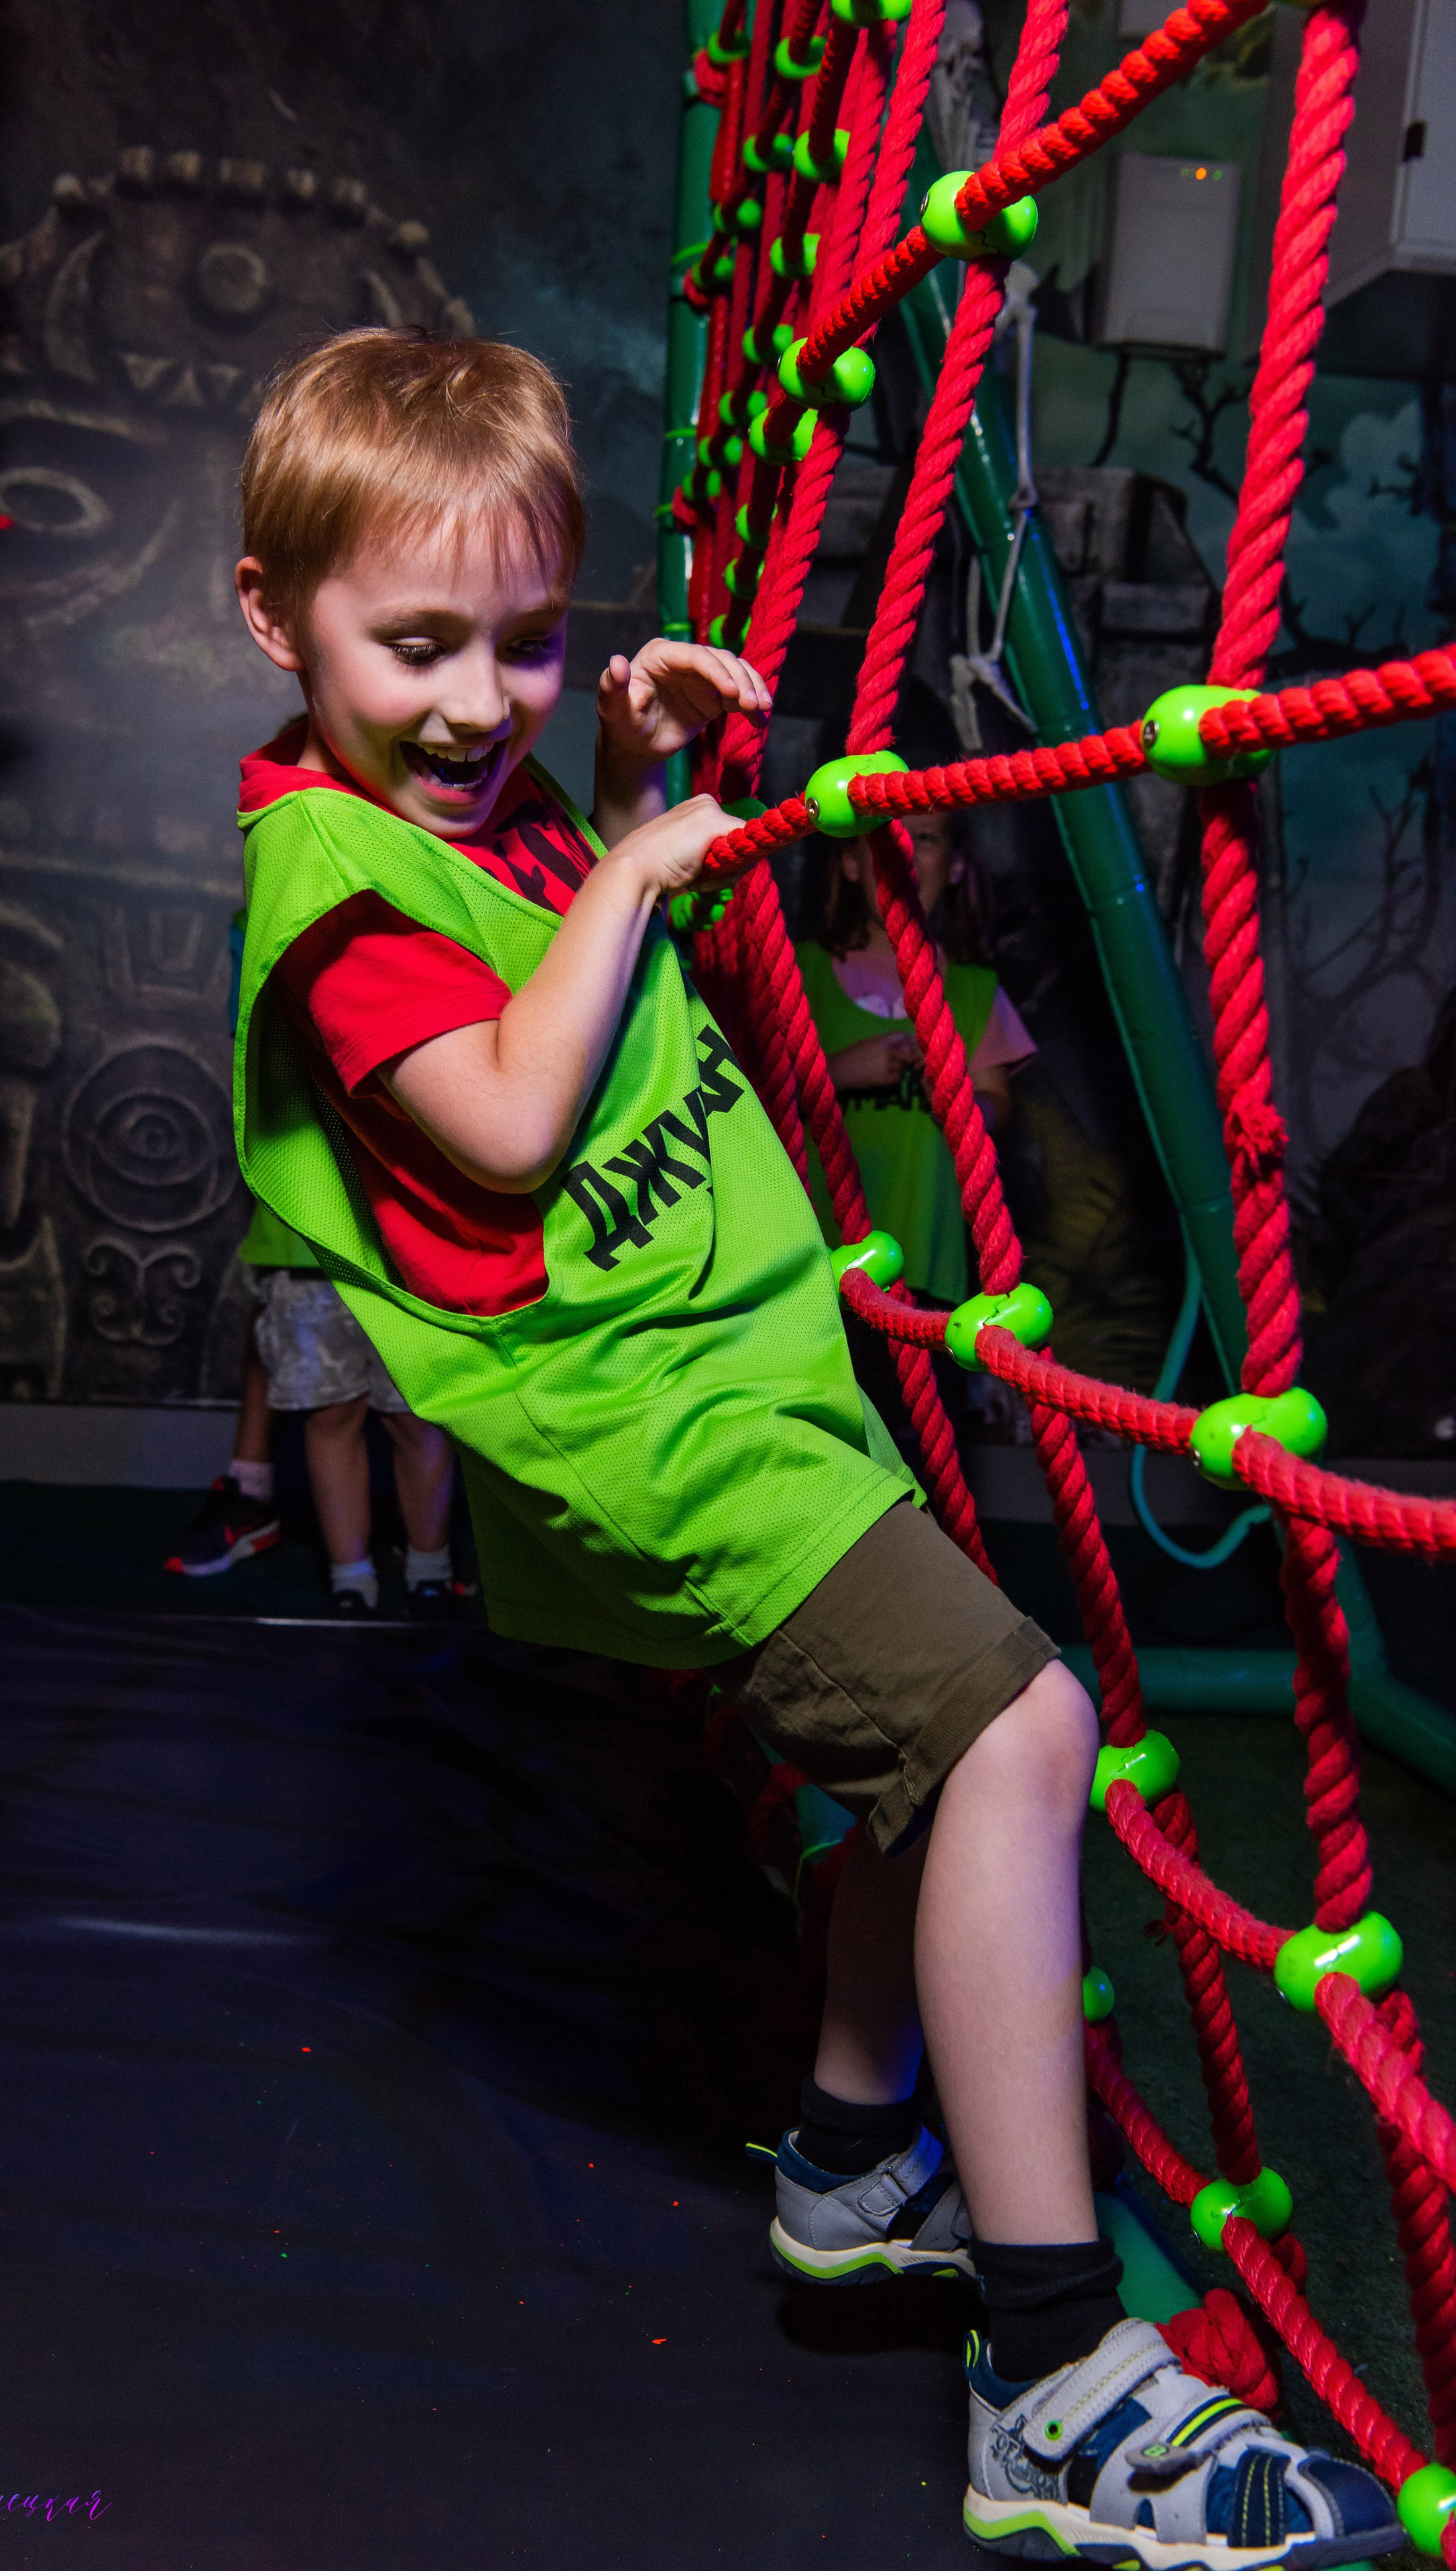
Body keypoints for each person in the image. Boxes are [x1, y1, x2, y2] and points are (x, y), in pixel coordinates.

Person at [225, 328, 1397, 2567]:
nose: (479, 704)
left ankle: (858, 2152)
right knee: (1025, 1725)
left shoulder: (468, 814)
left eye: (525, 642)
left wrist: (623, 779)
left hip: (744, 1380)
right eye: (417, 646)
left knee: (932, 1767)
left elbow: (543, 927)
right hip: (648, 1435)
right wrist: (635, 870)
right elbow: (505, 1118)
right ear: (276, 621)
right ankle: (1054, 2370)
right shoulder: (338, 891)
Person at [166, 925, 460, 1614]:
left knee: (418, 1416)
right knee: (331, 1412)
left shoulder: (417, 925)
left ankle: (430, 1568)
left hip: (410, 1234)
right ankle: (351, 1576)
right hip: (308, 1240)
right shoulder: (267, 934)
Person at [796, 808, 1035, 1305]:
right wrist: (837, 1072)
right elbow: (749, 1098)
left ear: (954, 866)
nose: (904, 850)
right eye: (887, 837)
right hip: (809, 1262)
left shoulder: (974, 991)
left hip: (927, 1271)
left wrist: (961, 1104)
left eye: (925, 837)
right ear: (851, 863)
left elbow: (999, 1106)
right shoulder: (798, 973)